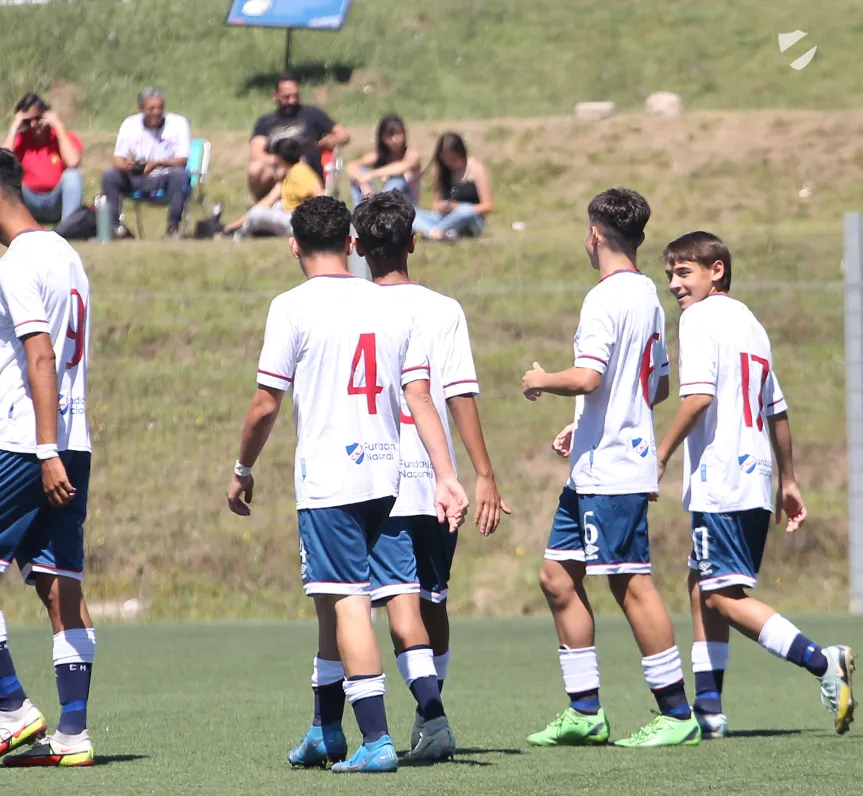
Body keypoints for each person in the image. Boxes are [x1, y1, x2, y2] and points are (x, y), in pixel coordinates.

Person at [226, 196, 469, 774]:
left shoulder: (291, 306)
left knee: (348, 603)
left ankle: (377, 739)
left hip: (332, 481)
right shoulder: (388, 305)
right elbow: (419, 396)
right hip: (386, 478)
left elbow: (265, 403)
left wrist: (242, 468)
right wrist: (446, 475)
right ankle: (325, 729)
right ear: (351, 244)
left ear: (294, 245)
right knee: (329, 602)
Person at [655, 230, 856, 738]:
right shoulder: (751, 323)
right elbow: (777, 409)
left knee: (721, 596)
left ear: (716, 270)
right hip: (755, 476)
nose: (675, 285)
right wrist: (789, 479)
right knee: (703, 584)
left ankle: (822, 660)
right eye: (670, 275)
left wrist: (659, 455)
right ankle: (709, 710)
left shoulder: (699, 318)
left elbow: (698, 397)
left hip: (721, 477)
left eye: (684, 273)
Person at [521, 187, 701, 748]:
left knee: (630, 583)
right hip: (596, 462)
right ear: (640, 238)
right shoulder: (648, 294)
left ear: (594, 234)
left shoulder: (604, 297)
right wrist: (588, 423)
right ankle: (585, 712)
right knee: (557, 577)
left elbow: (589, 376)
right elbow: (657, 385)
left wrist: (541, 380)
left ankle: (677, 713)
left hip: (613, 469)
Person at [0, 147, 96, 768]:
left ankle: (13, 709)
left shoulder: (18, 263)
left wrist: (44, 449)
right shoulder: (67, 254)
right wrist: (59, 448)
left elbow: (40, 356)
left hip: (24, 442)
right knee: (59, 583)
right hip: (73, 440)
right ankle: (74, 736)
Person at [356, 191, 509, 756]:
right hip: (437, 476)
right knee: (433, 600)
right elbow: (460, 393)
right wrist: (483, 472)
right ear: (414, 243)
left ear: (358, 247)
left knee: (399, 604)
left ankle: (433, 716)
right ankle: (431, 716)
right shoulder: (445, 309)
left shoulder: (353, 309)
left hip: (380, 476)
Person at [101, 87, 191, 240]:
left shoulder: (178, 123)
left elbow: (182, 159)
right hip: (137, 176)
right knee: (110, 175)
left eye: (160, 107)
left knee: (180, 174)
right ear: (141, 108)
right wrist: (128, 166)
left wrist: (156, 163)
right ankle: (116, 228)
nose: (157, 112)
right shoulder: (130, 124)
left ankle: (173, 228)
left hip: (165, 176)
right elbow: (117, 160)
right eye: (151, 108)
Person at [247, 72, 350, 201]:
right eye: (287, 96)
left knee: (298, 171)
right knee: (255, 169)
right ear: (275, 95)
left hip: (307, 168)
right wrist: (282, 163)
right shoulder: (265, 122)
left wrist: (329, 141)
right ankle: (263, 203)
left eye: (296, 95)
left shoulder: (312, 114)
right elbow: (256, 154)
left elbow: (344, 134)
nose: (292, 101)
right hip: (277, 169)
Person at [3, 92, 84, 224]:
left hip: (56, 202)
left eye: (37, 118)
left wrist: (58, 125)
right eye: (27, 121)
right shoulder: (20, 140)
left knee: (72, 175)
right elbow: (1, 163)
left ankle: (69, 227)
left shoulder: (63, 137)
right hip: (29, 203)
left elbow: (73, 162)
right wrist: (14, 128)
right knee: (8, 179)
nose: (33, 125)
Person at [224, 137, 323, 240]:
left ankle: (239, 236)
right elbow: (267, 201)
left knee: (256, 214)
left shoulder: (300, 172)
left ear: (279, 158)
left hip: (299, 222)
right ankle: (236, 229)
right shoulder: (288, 174)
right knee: (276, 206)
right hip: (291, 218)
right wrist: (235, 224)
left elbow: (321, 196)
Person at [412, 132, 493, 242]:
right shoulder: (442, 171)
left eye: (453, 159)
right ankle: (437, 234)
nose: (450, 164)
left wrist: (458, 208)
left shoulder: (476, 169)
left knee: (465, 210)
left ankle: (432, 232)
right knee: (411, 213)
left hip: (470, 218)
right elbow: (434, 205)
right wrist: (441, 206)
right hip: (445, 217)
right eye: (445, 160)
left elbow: (488, 206)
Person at [348, 115, 421, 207]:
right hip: (383, 205)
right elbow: (351, 166)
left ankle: (379, 206)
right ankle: (362, 211)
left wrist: (371, 174)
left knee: (397, 180)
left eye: (399, 134)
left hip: (408, 208)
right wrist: (363, 184)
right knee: (360, 172)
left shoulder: (411, 155)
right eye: (390, 135)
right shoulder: (379, 156)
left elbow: (402, 167)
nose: (395, 139)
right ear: (382, 138)